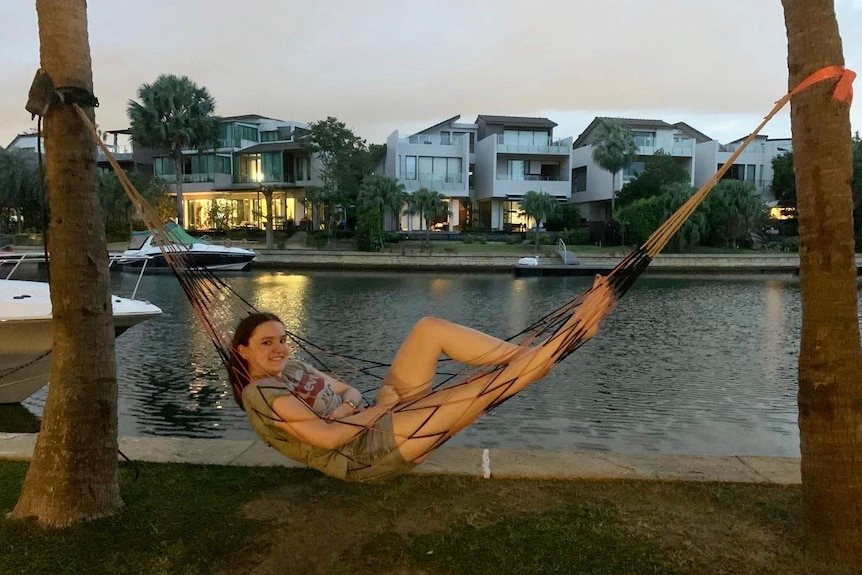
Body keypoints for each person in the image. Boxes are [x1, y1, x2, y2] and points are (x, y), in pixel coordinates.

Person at [230, 274, 615, 481]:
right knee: (484, 388)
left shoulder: (291, 368)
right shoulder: (262, 394)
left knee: (429, 328)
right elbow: (328, 437)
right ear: (244, 350)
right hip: (361, 453)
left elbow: (345, 389)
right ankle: (575, 332)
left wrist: (356, 406)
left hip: (374, 415)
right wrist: (375, 408)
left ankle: (536, 356)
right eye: (267, 343)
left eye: (281, 339)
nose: (279, 348)